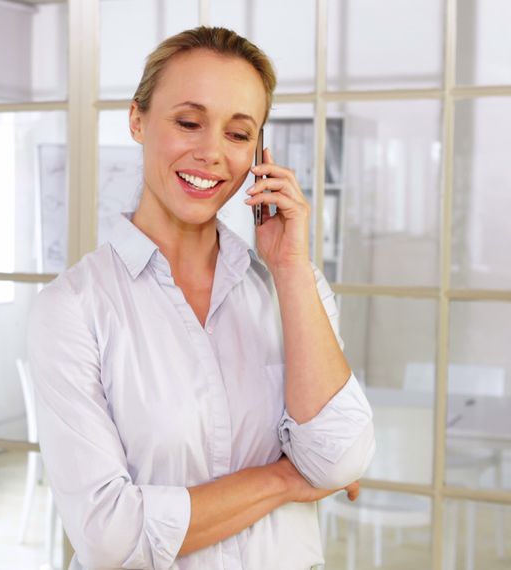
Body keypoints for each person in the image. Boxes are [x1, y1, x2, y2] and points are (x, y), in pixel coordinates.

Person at [26, 27, 375, 569]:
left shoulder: (291, 287)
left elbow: (340, 457)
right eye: (188, 122)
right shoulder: (74, 308)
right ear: (137, 120)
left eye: (238, 134)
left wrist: (287, 266)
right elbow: (109, 535)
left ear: (258, 151)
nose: (211, 152)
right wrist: (285, 477)